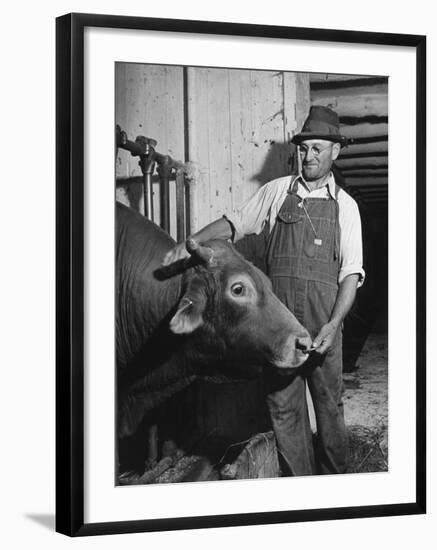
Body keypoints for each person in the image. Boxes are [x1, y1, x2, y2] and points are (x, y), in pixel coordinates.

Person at [163, 106, 364, 476]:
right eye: (304, 148)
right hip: (279, 326)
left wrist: (334, 324)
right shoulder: (276, 192)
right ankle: (299, 487)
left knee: (329, 407)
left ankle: (337, 487)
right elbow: (233, 224)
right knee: (284, 409)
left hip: (323, 326)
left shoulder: (346, 209)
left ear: (335, 151)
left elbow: (350, 275)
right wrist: (189, 243)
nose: (309, 156)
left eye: (318, 148)